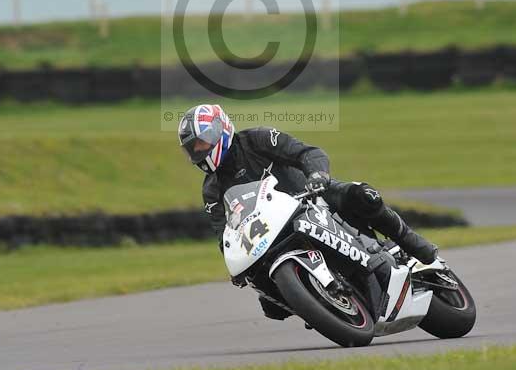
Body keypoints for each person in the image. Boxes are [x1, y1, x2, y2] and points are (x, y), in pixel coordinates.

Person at [178, 103, 438, 319]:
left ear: (220, 130)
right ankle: (321, 303)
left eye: (201, 143)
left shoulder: (257, 139)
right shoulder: (212, 190)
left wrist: (317, 175)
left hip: (312, 196)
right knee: (269, 304)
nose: (198, 152)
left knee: (363, 195)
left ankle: (410, 241)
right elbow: (223, 232)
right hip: (273, 233)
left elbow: (307, 153)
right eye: (193, 148)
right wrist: (233, 260)